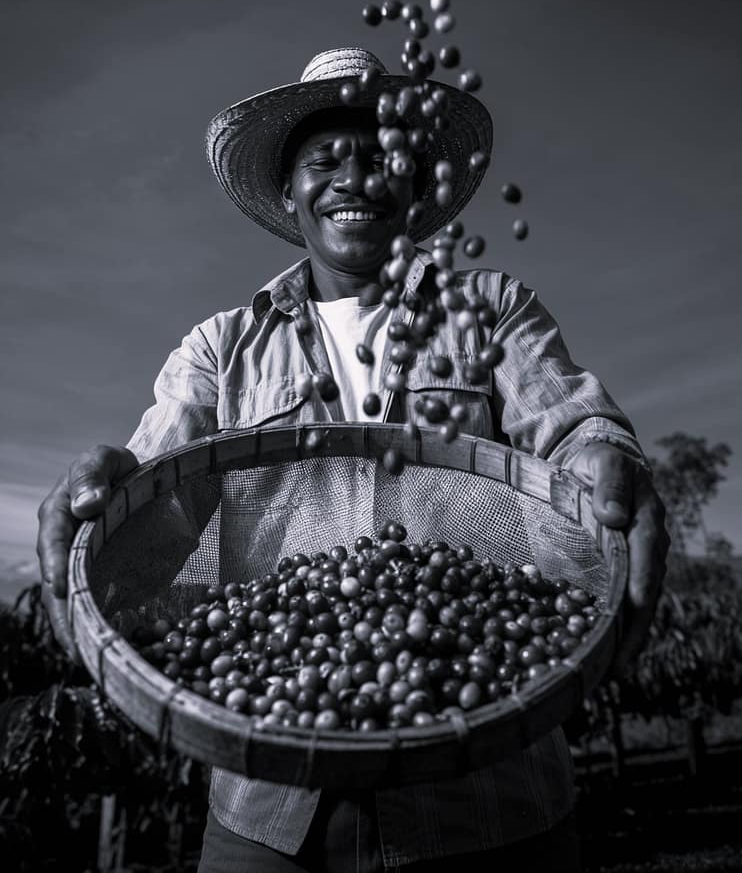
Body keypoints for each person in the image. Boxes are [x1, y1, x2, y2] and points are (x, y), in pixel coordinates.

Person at [37, 47, 668, 872]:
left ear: (414, 183)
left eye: (381, 157)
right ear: (290, 192)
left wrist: (604, 457)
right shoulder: (222, 347)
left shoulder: (490, 310)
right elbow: (159, 494)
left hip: (488, 798)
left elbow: (571, 424)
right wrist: (103, 506)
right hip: (269, 812)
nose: (353, 177)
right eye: (324, 159)